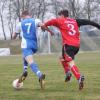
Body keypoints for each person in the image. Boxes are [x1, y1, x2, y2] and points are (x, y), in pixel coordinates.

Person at [42, 9, 100, 90]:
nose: (59, 17)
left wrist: (44, 27)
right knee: (61, 57)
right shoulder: (75, 21)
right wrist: (98, 26)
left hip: (68, 45)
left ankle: (79, 77)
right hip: (76, 46)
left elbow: (45, 24)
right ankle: (68, 73)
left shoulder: (59, 21)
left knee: (70, 62)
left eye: (59, 15)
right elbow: (88, 22)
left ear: (62, 15)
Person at [12, 10, 45, 89]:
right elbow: (42, 25)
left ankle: (40, 74)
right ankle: (25, 70)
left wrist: (15, 35)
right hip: (34, 45)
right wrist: (43, 28)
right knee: (25, 56)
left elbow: (14, 36)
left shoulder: (20, 24)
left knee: (30, 61)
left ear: (23, 16)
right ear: (29, 15)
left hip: (26, 45)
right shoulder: (35, 20)